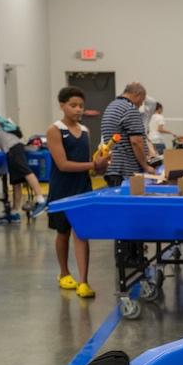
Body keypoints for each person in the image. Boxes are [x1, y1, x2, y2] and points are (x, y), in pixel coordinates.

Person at [45, 87, 108, 299]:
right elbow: (62, 164)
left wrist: (101, 165)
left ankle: (84, 281)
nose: (78, 109)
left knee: (81, 233)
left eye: (81, 105)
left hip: (83, 187)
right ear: (62, 105)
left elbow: (88, 165)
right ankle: (64, 273)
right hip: (62, 188)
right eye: (73, 105)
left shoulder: (85, 131)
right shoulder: (55, 130)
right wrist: (92, 163)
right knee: (62, 232)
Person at [100, 82, 153, 185]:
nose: (141, 105)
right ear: (137, 95)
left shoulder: (112, 106)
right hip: (124, 171)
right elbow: (136, 142)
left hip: (112, 168)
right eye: (141, 101)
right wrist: (146, 166)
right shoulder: (130, 109)